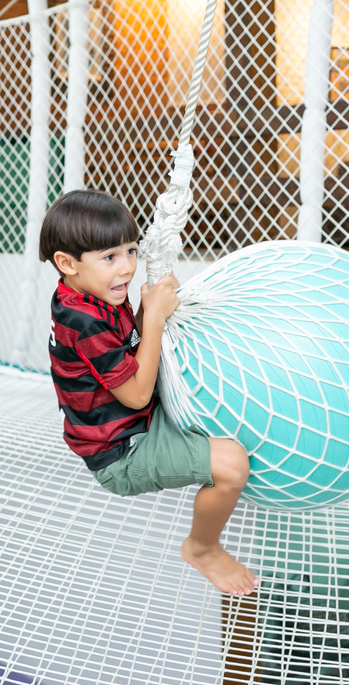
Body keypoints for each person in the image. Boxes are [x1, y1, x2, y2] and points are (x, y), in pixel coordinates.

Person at [40, 189, 259, 596]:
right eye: (110, 257)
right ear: (67, 264)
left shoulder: (92, 293)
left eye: (130, 251)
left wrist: (147, 309)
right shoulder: (81, 319)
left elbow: (129, 341)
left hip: (136, 417)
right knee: (232, 465)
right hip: (122, 450)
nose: (126, 268)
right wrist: (154, 317)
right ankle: (202, 548)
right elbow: (137, 395)